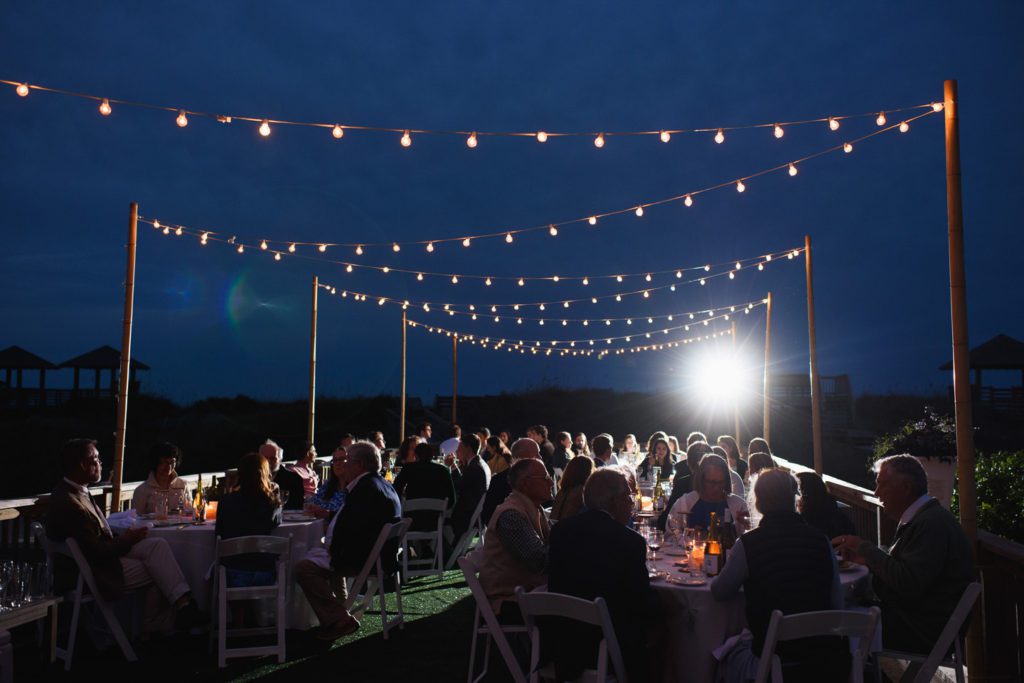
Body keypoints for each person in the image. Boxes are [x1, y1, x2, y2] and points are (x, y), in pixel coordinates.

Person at [47, 438, 204, 633]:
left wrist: (127, 537)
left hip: (102, 559)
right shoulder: (71, 503)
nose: (101, 463)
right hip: (97, 571)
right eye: (97, 459)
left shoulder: (74, 492)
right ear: (82, 464)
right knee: (161, 569)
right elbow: (96, 552)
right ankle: (160, 626)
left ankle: (183, 606)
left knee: (158, 546)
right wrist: (127, 540)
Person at [712, 469, 848, 682]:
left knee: (721, 660)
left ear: (758, 503)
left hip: (772, 659)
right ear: (795, 499)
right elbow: (836, 602)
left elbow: (719, 591)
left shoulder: (749, 544)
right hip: (823, 660)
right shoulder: (821, 541)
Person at [832, 454, 974, 653]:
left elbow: (908, 584)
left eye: (882, 484)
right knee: (840, 615)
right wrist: (869, 561)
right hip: (921, 622)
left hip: (921, 630)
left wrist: (864, 548)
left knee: (833, 623)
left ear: (906, 488)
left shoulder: (931, 525)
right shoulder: (926, 517)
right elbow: (907, 573)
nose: (876, 492)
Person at [548, 468, 656, 681]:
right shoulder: (629, 542)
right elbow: (640, 601)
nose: (631, 503)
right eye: (628, 496)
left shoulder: (561, 531)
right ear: (614, 501)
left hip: (561, 643)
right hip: (606, 646)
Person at [293, 441, 402, 640]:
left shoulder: (365, 490)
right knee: (323, 554)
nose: (343, 465)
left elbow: (353, 530)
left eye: (347, 461)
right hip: (379, 556)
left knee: (303, 568)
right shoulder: (381, 485)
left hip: (363, 559)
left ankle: (339, 619)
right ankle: (340, 610)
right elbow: (358, 521)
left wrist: (329, 547)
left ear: (359, 464)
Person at [478, 458, 551, 620]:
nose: (551, 481)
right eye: (545, 478)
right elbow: (537, 560)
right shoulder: (511, 515)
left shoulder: (530, 507)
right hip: (507, 601)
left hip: (523, 593)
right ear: (525, 484)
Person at [215, 452, 283, 586]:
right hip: (265, 574)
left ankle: (239, 606)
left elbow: (218, 534)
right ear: (265, 474)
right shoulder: (272, 504)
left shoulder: (225, 501)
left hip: (233, 573)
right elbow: (277, 522)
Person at [666, 453, 749, 536]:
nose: (716, 488)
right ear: (701, 480)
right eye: (712, 482)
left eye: (721, 483)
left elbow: (747, 539)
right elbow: (670, 535)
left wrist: (748, 525)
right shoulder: (685, 503)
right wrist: (688, 536)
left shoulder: (738, 505)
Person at [393, 441, 456, 531]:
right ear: (432, 455)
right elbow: (452, 499)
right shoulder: (443, 470)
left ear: (416, 455)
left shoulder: (409, 468)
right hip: (435, 521)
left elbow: (396, 490)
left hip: (411, 521)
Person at [481, 437, 539, 526]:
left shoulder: (503, 470)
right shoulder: (506, 481)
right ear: (521, 457)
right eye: (536, 454)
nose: (540, 457)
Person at [656, 440, 710, 531]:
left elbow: (666, 519)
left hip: (687, 536)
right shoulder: (720, 484)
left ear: (688, 463)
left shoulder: (683, 483)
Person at [448, 433, 491, 543]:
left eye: (459, 448)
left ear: (468, 448)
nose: (457, 451)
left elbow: (457, 486)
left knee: (438, 518)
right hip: (476, 513)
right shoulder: (479, 463)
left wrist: (452, 467)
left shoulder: (475, 467)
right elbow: (463, 482)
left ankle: (444, 553)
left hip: (466, 516)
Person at [131, 442, 191, 515]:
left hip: (180, 525)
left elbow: (189, 512)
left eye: (172, 462)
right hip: (153, 526)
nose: (169, 467)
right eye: (164, 462)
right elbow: (136, 519)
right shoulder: (142, 490)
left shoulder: (183, 485)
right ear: (155, 462)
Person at [796, 471, 855, 539]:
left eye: (798, 490)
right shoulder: (838, 513)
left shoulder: (807, 522)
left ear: (805, 494)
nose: (796, 497)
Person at [260, 439, 304, 510]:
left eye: (272, 458)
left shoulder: (294, 479)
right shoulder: (251, 478)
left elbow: (297, 507)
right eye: (264, 458)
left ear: (280, 459)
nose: (268, 462)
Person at [550, 455, 594, 522]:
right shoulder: (582, 492)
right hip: (570, 530)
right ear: (588, 472)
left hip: (555, 529)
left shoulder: (561, 491)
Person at [307, 449, 348, 519]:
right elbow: (313, 503)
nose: (337, 463)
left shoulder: (354, 489)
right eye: (335, 460)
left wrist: (327, 514)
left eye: (341, 459)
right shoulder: (327, 486)